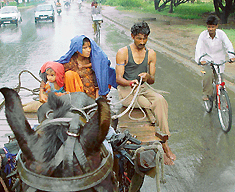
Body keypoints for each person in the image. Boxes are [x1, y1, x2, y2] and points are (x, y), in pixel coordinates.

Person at [115, 21, 176, 165]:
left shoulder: (151, 54)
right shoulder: (123, 52)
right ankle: (163, 144)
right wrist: (130, 83)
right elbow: (118, 78)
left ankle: (164, 140)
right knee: (149, 104)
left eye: (145, 38)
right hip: (127, 90)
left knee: (160, 100)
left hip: (144, 88)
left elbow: (152, 79)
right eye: (139, 38)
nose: (142, 42)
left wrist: (147, 77)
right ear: (132, 36)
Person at [39, 35, 117, 102]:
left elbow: (103, 73)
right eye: (84, 48)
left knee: (105, 71)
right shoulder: (69, 62)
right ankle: (76, 102)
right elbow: (49, 74)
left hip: (94, 95)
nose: (88, 50)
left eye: (89, 47)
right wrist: (41, 93)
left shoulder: (95, 60)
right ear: (77, 49)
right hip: (77, 97)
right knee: (69, 74)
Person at [195, 15, 235, 101]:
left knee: (219, 79)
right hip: (207, 60)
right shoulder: (203, 35)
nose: (210, 29)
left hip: (219, 60)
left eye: (212, 27)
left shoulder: (221, 34)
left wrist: (232, 56)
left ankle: (219, 96)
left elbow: (228, 44)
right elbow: (198, 48)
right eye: (209, 27)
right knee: (208, 75)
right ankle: (206, 93)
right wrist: (200, 59)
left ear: (216, 26)